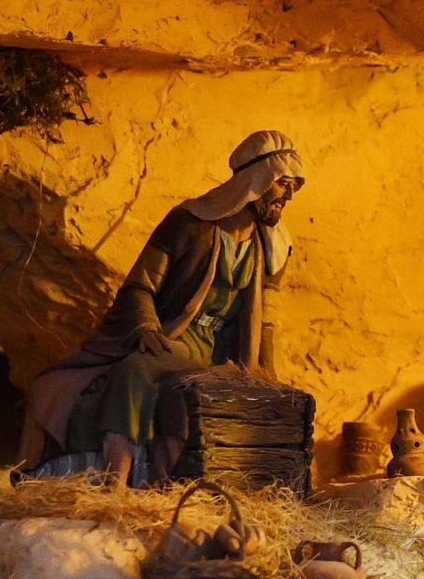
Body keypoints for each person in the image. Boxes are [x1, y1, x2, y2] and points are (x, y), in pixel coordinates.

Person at [19, 129, 306, 485]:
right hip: (181, 337)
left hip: (228, 354)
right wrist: (146, 327)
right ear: (256, 182)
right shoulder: (189, 224)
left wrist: (266, 373)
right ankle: (116, 478)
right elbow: (140, 285)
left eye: (294, 185)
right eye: (282, 184)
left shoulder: (275, 248)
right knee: (137, 370)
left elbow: (266, 322)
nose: (289, 195)